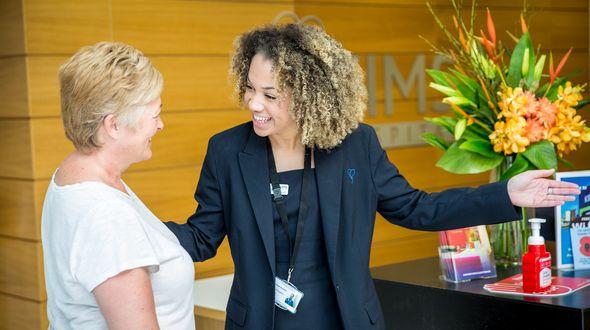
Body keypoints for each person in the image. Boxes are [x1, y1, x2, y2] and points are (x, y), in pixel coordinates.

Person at [165, 24, 580, 329]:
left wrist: (504, 192)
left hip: (346, 320)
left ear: (312, 93)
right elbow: (202, 239)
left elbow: (416, 208)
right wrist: (127, 217)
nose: (254, 103)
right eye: (250, 89)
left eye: (270, 95)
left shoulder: (355, 145)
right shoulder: (227, 150)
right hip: (259, 322)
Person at [41, 42, 195, 329]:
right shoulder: (105, 215)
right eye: (155, 114)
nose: (160, 125)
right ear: (113, 125)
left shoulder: (73, 173)